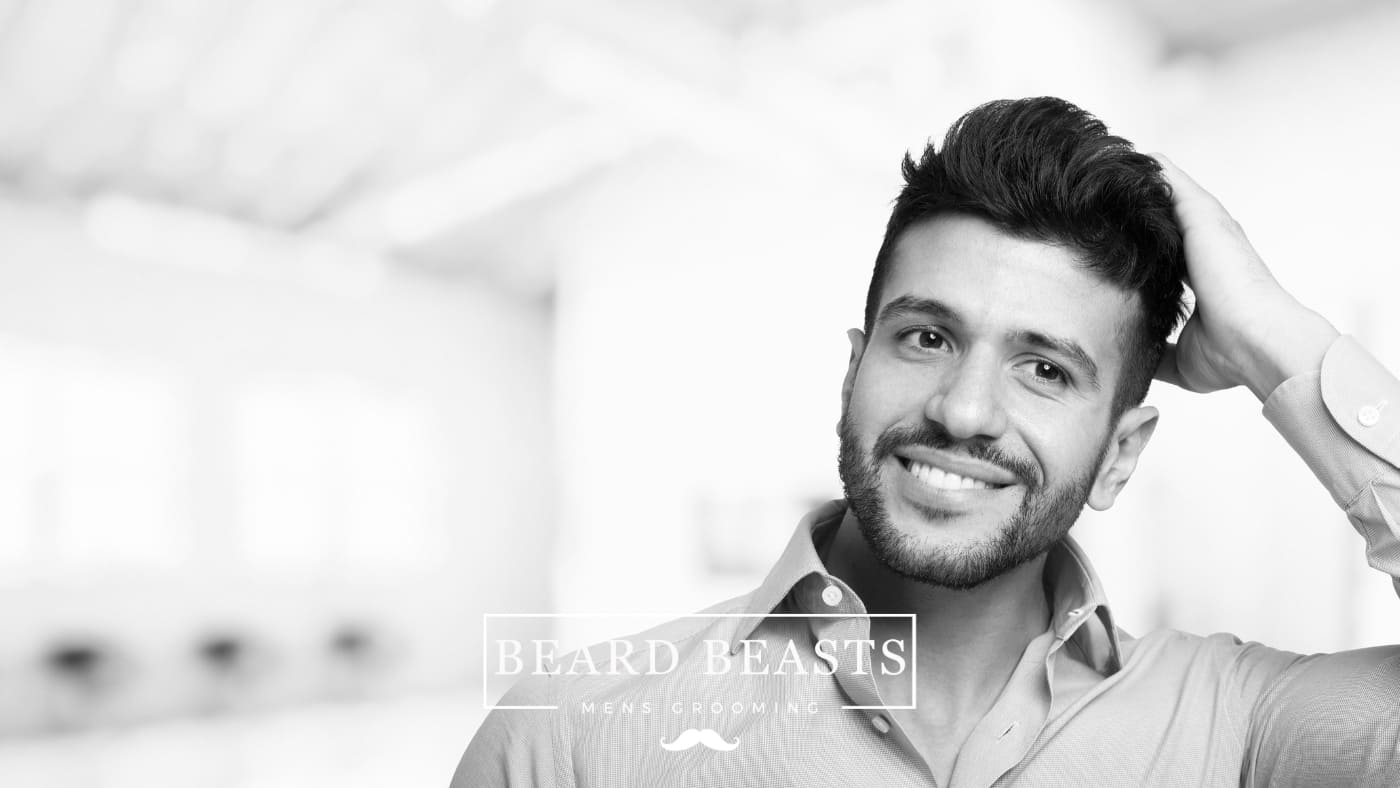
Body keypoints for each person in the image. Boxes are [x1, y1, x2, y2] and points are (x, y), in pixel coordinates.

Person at [453, 97, 1400, 786]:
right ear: (852, 374)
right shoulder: (567, 741)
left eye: (1046, 370)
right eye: (929, 338)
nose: (963, 410)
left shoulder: (1240, 725)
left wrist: (1284, 344)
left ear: (1121, 455)